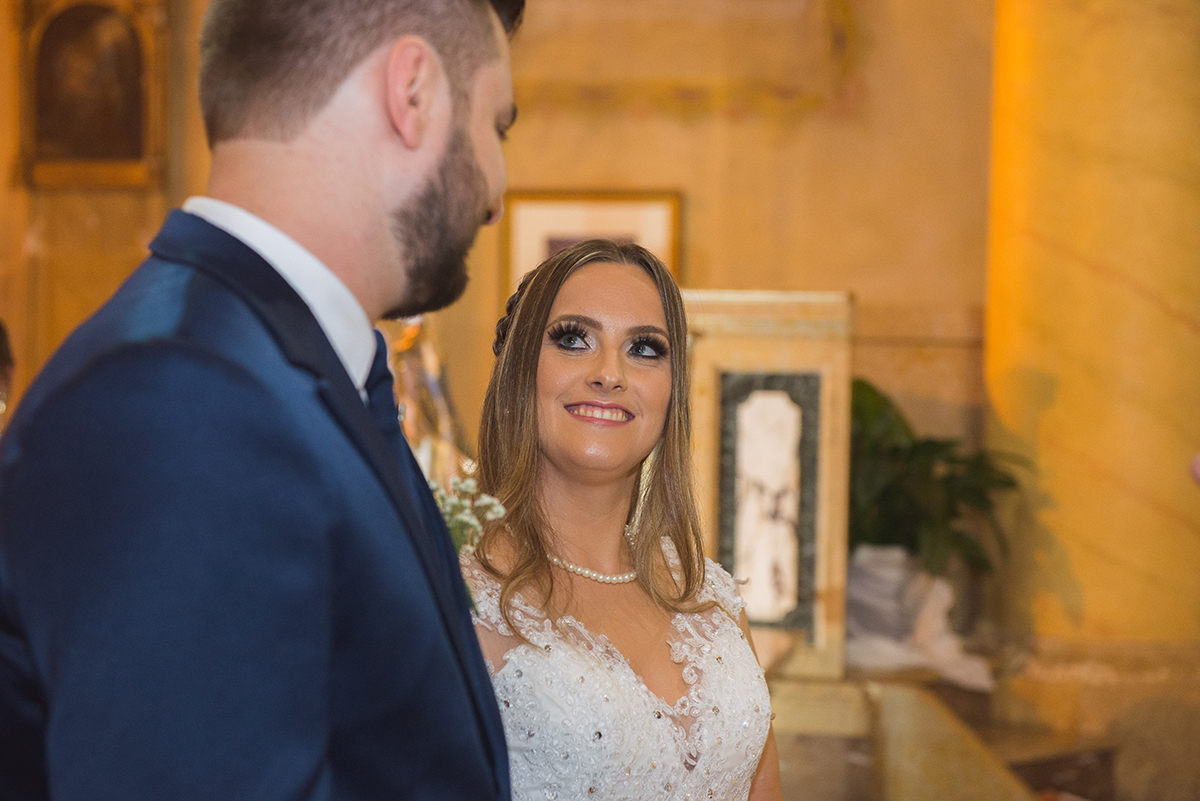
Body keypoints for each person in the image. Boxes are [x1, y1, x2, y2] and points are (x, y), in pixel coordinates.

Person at [0, 0, 523, 798]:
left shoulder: (275, 364)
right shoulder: (181, 400)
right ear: (412, 93)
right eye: (498, 126)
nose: (497, 185)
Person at [462, 240, 783, 800]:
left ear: (671, 391)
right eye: (573, 339)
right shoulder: (458, 593)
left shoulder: (709, 598)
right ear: (519, 370)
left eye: (644, 349)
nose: (610, 373)